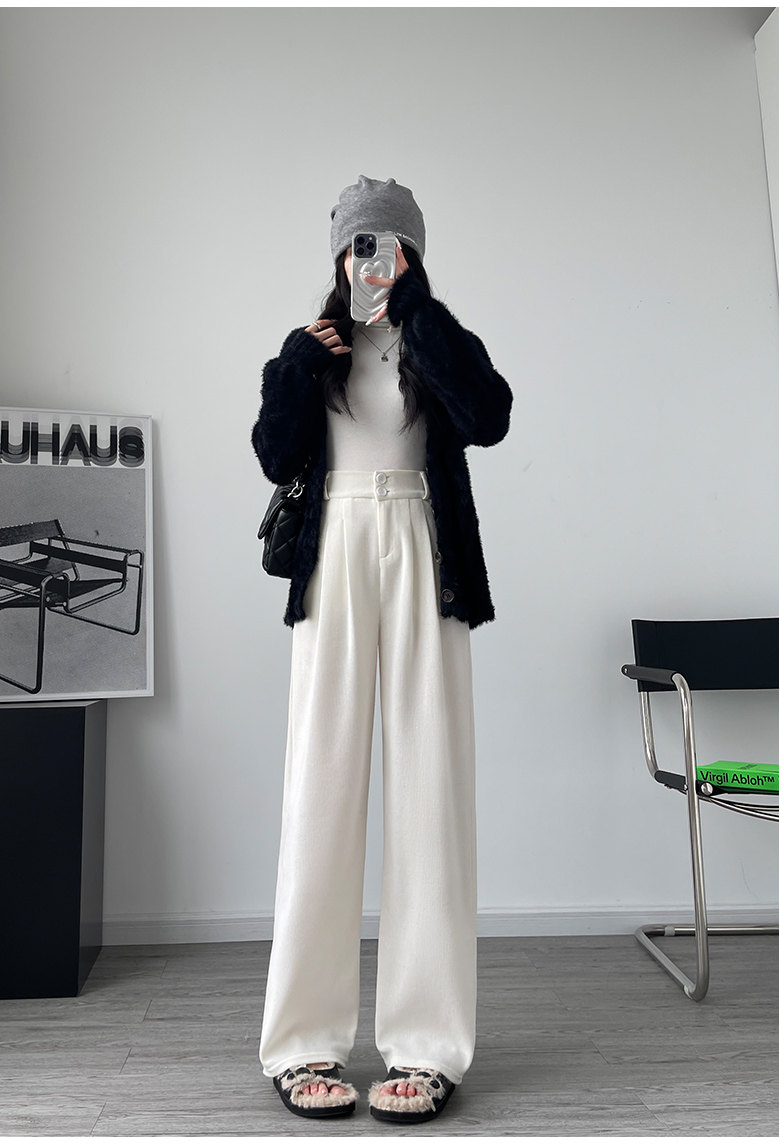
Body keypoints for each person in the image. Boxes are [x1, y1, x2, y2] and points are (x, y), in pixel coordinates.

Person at [251, 175, 513, 1125]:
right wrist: (296, 362)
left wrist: (418, 313)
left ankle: (428, 1045)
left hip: (425, 556)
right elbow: (275, 453)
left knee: (430, 793)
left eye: (387, 245)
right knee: (318, 790)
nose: (369, 260)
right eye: (358, 245)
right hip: (334, 558)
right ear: (337, 253)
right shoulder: (310, 349)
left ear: (411, 252)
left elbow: (490, 417)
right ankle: (302, 1042)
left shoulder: (436, 341)